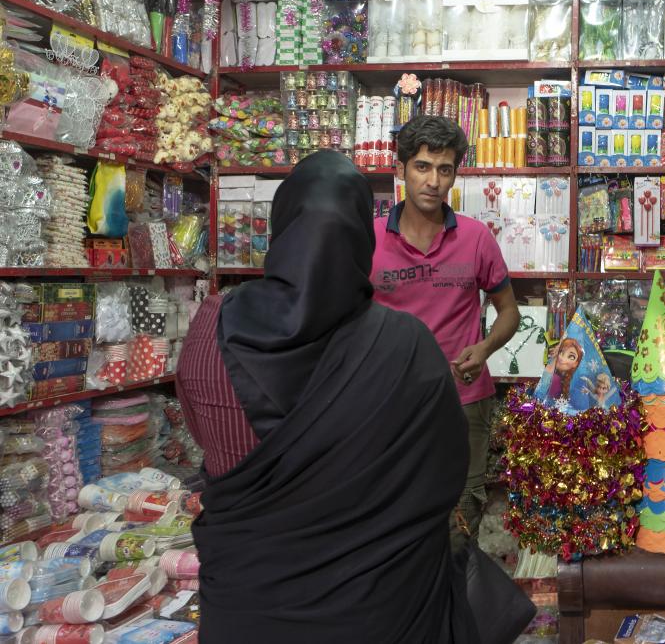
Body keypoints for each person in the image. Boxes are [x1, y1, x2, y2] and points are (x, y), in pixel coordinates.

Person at [176, 151, 476, 643]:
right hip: (380, 609)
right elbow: (447, 471)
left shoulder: (212, 325)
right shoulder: (405, 346)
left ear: (281, 225)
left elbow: (203, 438)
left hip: (248, 604)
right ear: (363, 237)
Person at [372, 115, 520, 548]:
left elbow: (509, 312)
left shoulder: (476, 238)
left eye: (445, 169)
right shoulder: (370, 238)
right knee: (396, 512)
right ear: (400, 170)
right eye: (422, 166)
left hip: (465, 401)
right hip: (391, 402)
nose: (433, 181)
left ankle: (456, 606)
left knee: (461, 518)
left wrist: (486, 347)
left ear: (455, 174)